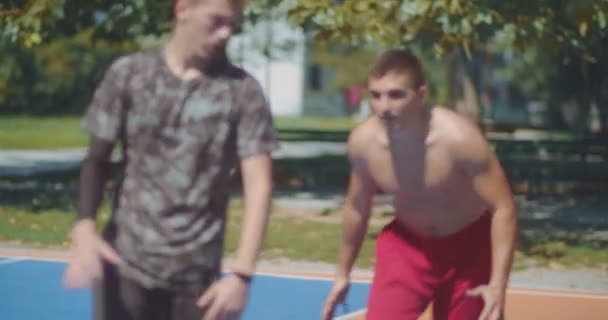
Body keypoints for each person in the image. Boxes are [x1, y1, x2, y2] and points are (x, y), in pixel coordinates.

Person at [62, 0, 279, 319]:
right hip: (126, 267)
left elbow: (259, 185)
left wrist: (242, 275)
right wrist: (84, 227)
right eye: (217, 21)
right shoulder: (129, 74)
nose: (224, 34)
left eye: (232, 25)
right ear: (182, 9)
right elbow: (97, 159)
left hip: (197, 278)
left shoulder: (242, 91)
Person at [322, 49, 518, 320]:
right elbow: (357, 207)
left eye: (396, 95)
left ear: (421, 94)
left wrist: (498, 285)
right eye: (375, 95)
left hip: (469, 249)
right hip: (407, 247)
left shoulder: (459, 139)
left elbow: (503, 208)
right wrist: (342, 273)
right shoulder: (363, 143)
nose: (384, 107)